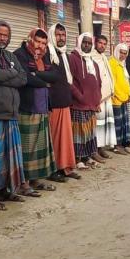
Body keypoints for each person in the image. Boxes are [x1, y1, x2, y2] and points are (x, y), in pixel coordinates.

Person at [0, 20, 28, 208]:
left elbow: (23, 78)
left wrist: (4, 75)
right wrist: (11, 73)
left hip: (11, 113)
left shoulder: (10, 55)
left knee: (10, 155)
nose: (2, 38)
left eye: (6, 35)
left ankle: (7, 190)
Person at [13, 28, 58, 192]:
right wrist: (44, 80)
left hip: (42, 108)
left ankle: (36, 180)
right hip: (27, 108)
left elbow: (55, 76)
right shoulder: (19, 54)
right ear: (30, 39)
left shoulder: (45, 55)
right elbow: (25, 78)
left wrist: (37, 74)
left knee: (41, 147)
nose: (40, 45)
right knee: (27, 148)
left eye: (43, 43)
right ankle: (23, 183)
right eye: (37, 41)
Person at [48, 23, 79, 180]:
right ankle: (54, 170)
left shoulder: (64, 55)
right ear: (52, 35)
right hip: (53, 104)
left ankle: (66, 167)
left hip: (65, 102)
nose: (61, 38)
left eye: (63, 35)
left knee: (65, 139)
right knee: (54, 139)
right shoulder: (48, 53)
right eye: (58, 35)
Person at [68, 33, 102, 169]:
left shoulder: (93, 62)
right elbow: (69, 81)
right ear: (79, 42)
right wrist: (80, 96)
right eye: (84, 42)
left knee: (89, 133)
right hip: (79, 104)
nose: (87, 45)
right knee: (79, 133)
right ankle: (78, 159)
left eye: (89, 43)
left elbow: (98, 82)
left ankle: (87, 157)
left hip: (91, 105)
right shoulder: (73, 58)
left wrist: (98, 99)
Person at [92, 34, 117, 156]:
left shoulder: (103, 57)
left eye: (104, 44)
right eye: (100, 43)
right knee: (98, 124)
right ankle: (96, 149)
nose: (102, 46)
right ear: (95, 43)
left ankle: (102, 147)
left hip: (107, 96)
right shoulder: (91, 57)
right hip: (98, 97)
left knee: (106, 123)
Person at [109, 43, 130, 154]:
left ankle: (123, 143)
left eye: (125, 53)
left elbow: (125, 81)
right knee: (117, 124)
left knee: (123, 122)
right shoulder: (112, 63)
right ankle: (116, 146)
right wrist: (122, 96)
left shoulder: (122, 64)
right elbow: (113, 83)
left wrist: (129, 95)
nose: (123, 55)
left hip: (123, 99)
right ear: (116, 51)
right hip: (116, 99)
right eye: (121, 52)